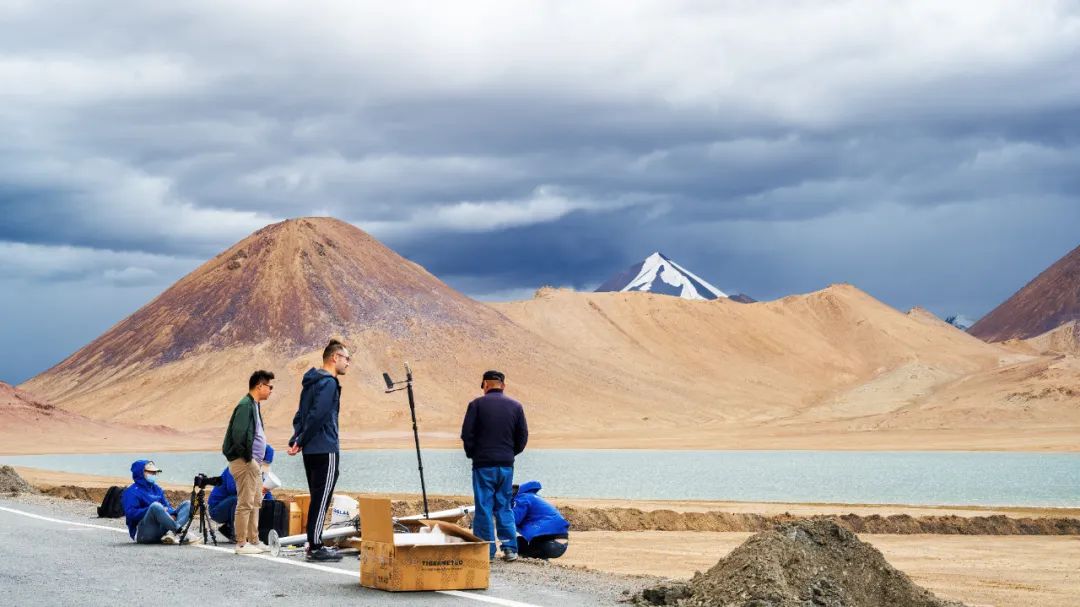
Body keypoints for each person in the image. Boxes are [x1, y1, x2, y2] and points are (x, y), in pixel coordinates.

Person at [288, 339, 350, 562]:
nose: (348, 363)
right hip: (326, 447)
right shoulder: (329, 383)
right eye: (346, 358)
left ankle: (314, 543)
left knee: (317, 497)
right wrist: (301, 438)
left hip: (311, 451)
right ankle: (315, 546)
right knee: (322, 498)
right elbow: (318, 415)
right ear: (334, 357)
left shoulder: (311, 383)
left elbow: (301, 415)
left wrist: (297, 439)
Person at [460, 369, 528, 561]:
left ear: (485, 385)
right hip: (506, 465)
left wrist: (473, 454)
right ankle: (510, 549)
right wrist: (509, 454)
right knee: (504, 506)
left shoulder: (476, 405)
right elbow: (522, 436)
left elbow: (467, 435)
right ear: (503, 385)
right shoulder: (516, 406)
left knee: (484, 506)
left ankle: (486, 550)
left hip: (483, 465)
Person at [222, 369, 275, 555]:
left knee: (256, 501)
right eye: (269, 387)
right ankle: (241, 544)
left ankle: (254, 540)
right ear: (259, 386)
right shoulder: (245, 406)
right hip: (245, 462)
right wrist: (249, 459)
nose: (271, 390)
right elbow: (238, 436)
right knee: (245, 502)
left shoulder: (254, 405)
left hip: (254, 463)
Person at [121, 460, 199, 545]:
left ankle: (171, 533)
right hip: (143, 533)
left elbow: (167, 506)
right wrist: (151, 510)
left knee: (188, 504)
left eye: (155, 472)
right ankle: (181, 532)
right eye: (151, 472)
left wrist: (170, 513)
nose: (154, 474)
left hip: (161, 528)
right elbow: (131, 513)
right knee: (155, 506)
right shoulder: (131, 492)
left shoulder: (157, 489)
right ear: (140, 473)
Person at [208, 444, 277, 540]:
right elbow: (233, 488)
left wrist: (270, 503)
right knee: (239, 499)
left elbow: (266, 493)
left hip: (230, 507)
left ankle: (229, 528)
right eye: (263, 462)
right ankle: (236, 533)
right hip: (217, 509)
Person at [512, 481, 570, 559]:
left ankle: (523, 558)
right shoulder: (534, 497)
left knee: (516, 543)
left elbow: (513, 520)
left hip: (549, 543)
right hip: (562, 543)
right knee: (528, 540)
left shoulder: (522, 498)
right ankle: (541, 559)